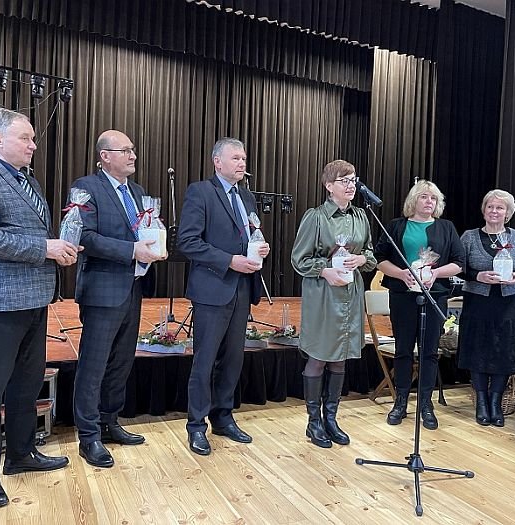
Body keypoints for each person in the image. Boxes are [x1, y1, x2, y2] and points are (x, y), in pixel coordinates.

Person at [0, 108, 78, 507]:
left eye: (32, 138)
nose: (33, 145)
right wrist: (45, 248)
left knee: (26, 384)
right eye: (25, 138)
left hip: (35, 298)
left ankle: (21, 454)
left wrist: (57, 247)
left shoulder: (27, 179)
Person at [72, 130, 166, 468]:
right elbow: (85, 236)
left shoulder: (138, 192)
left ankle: (109, 422)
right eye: (125, 150)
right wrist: (132, 250)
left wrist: (156, 237)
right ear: (105, 156)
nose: (133, 156)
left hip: (133, 288)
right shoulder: (86, 188)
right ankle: (88, 435)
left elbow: (142, 231)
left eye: (133, 150)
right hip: (102, 290)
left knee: (122, 361)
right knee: (94, 364)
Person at [177, 137, 270, 456]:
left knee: (233, 359)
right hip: (213, 288)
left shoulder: (247, 196)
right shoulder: (201, 192)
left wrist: (258, 247)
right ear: (217, 162)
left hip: (242, 287)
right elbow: (188, 242)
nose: (242, 163)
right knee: (204, 360)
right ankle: (196, 425)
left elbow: (249, 235)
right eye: (235, 158)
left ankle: (223, 416)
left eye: (244, 158)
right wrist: (229, 260)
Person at [291, 160, 377, 448]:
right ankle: (313, 422)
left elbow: (370, 255)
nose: (351, 185)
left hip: (350, 294)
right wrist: (325, 270)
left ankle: (331, 418)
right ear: (329, 186)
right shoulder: (315, 217)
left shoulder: (361, 216)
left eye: (353, 180)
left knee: (340, 357)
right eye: (344, 180)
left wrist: (362, 259)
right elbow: (299, 259)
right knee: (320, 355)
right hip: (323, 294)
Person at [374, 180, 464, 430]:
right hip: (402, 296)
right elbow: (379, 258)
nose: (429, 202)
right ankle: (400, 401)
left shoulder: (446, 227)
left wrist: (436, 273)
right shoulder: (396, 226)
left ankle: (426, 403)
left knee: (429, 352)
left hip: (435, 296)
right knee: (403, 350)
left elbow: (459, 263)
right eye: (424, 197)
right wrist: (401, 273)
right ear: (413, 200)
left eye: (433, 198)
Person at [457, 190, 515, 427]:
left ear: (508, 213)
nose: (494, 211)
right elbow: (458, 266)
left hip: (510, 303)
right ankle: (482, 403)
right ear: (484, 210)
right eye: (490, 206)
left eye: (500, 208)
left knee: (505, 351)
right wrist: (477, 276)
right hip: (478, 303)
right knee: (478, 351)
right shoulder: (469, 237)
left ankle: (496, 402)